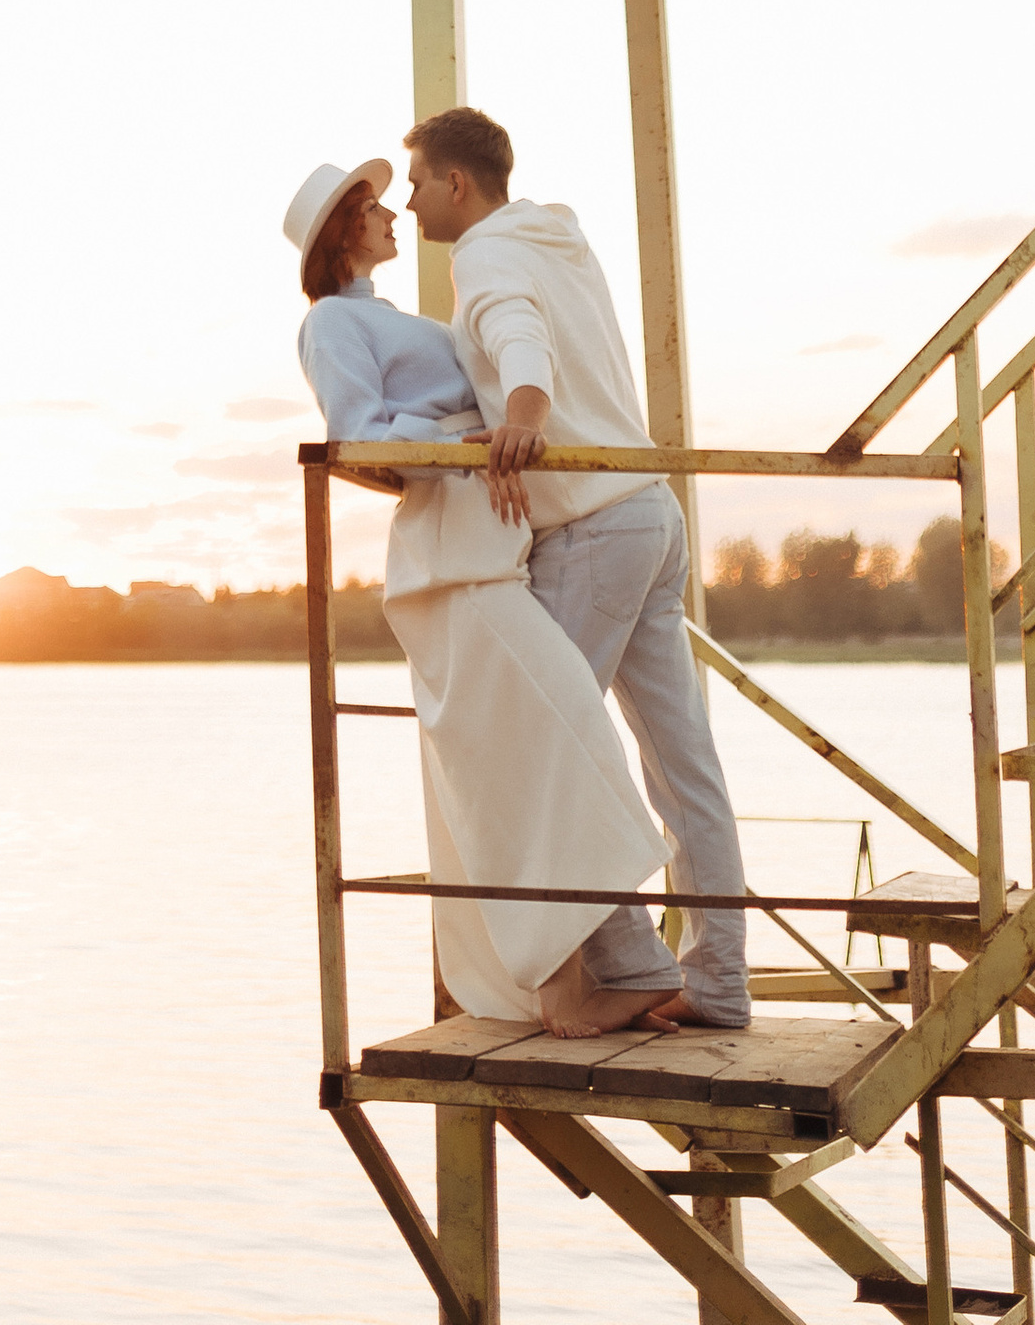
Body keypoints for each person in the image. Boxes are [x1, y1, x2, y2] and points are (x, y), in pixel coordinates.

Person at [287, 151, 670, 1036]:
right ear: (345, 229)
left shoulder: (392, 317)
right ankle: (568, 988)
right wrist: (467, 434)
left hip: (491, 543)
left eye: (395, 199)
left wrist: (492, 432)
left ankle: (598, 975)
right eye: (376, 207)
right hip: (447, 557)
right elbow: (358, 439)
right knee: (539, 746)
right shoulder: (330, 326)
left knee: (552, 744)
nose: (394, 215)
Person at [404, 104, 752, 1033]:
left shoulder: (481, 255)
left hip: (595, 531)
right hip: (648, 510)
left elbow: (523, 341)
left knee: (538, 746)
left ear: (456, 183)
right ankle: (719, 982)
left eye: (416, 181)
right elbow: (552, 349)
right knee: (684, 768)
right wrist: (504, 419)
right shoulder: (557, 241)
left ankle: (631, 968)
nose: (408, 202)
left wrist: (521, 413)